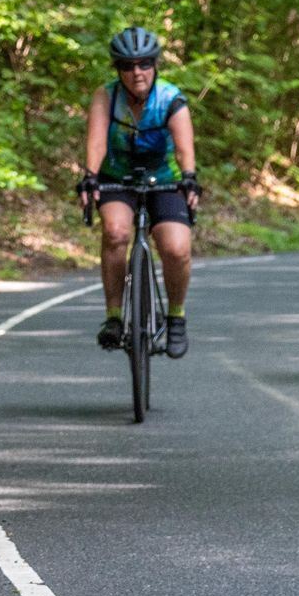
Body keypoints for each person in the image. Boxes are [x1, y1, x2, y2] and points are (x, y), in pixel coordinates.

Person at [76, 26, 200, 358]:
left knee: (176, 248)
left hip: (165, 180)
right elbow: (97, 142)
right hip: (118, 178)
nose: (137, 72)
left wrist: (188, 177)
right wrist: (90, 176)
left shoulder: (171, 98)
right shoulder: (107, 96)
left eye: (144, 64)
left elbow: (185, 150)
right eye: (128, 66)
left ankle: (175, 317)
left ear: (155, 65)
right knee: (115, 232)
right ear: (118, 69)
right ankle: (114, 317)